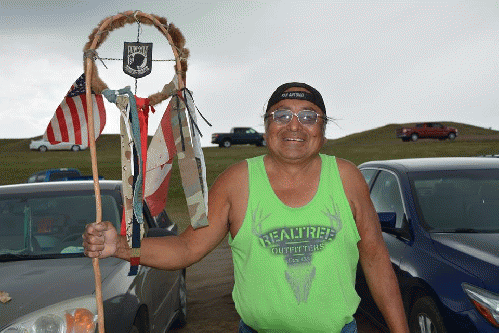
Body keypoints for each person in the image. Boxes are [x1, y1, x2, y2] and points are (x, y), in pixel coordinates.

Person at [83, 82, 409, 333]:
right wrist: (121, 247)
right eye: (281, 115)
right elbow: (186, 248)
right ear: (267, 127)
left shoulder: (347, 178)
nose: (294, 126)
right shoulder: (237, 182)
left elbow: (376, 259)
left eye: (309, 116)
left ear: (323, 130)